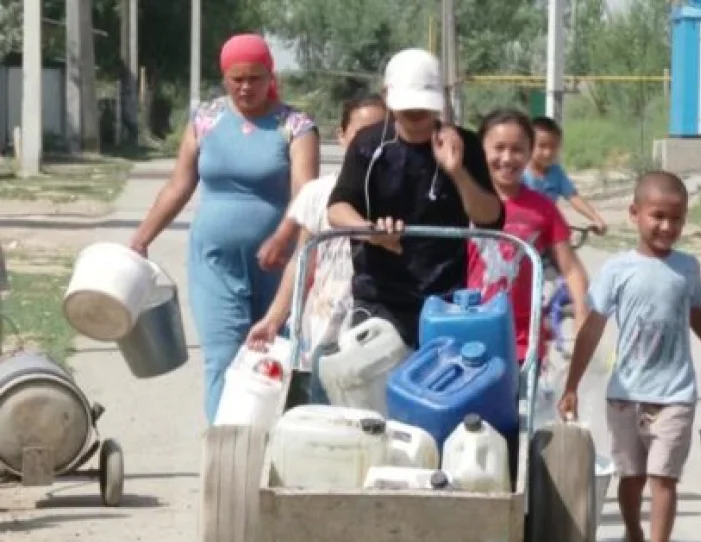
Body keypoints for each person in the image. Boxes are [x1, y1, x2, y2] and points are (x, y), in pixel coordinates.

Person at [558, 171, 701, 542]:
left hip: (674, 393)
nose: (667, 227)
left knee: (664, 479)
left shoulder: (688, 268)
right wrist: (571, 385)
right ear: (635, 213)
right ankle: (635, 537)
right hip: (625, 394)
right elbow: (592, 328)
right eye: (658, 216)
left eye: (677, 219)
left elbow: (700, 319)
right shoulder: (618, 269)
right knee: (631, 477)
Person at [129, 33, 319, 422]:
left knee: (274, 358)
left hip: (277, 266)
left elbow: (307, 196)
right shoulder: (206, 120)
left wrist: (283, 236)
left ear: (270, 76)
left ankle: (271, 450)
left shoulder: (296, 127)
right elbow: (179, 185)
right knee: (222, 355)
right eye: (237, 79)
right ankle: (223, 452)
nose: (245, 87)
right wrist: (141, 239)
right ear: (224, 78)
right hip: (214, 262)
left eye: (255, 78)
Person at [326, 48, 504, 348]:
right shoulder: (368, 144)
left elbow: (491, 218)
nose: (416, 115)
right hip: (378, 298)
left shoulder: (465, 144)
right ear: (388, 97)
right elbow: (337, 208)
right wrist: (373, 233)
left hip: (444, 301)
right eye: (408, 107)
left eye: (423, 106)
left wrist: (457, 171)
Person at [245, 95, 389, 385]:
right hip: (325, 327)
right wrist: (274, 318)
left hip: (379, 328)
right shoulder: (317, 193)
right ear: (342, 136)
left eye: (381, 135)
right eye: (361, 133)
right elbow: (304, 258)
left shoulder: (401, 194)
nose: (371, 144)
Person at [467, 108, 590, 366]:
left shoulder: (542, 208)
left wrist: (581, 314)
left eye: (517, 149)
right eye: (498, 148)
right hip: (465, 334)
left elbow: (571, 268)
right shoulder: (461, 201)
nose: (507, 158)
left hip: (522, 341)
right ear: (480, 150)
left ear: (529, 152)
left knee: (520, 406)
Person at [524, 116, 608, 233]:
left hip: (546, 229)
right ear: (528, 145)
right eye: (542, 146)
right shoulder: (519, 173)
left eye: (553, 147)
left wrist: (595, 218)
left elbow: (573, 197)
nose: (548, 152)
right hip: (522, 231)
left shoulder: (556, 172)